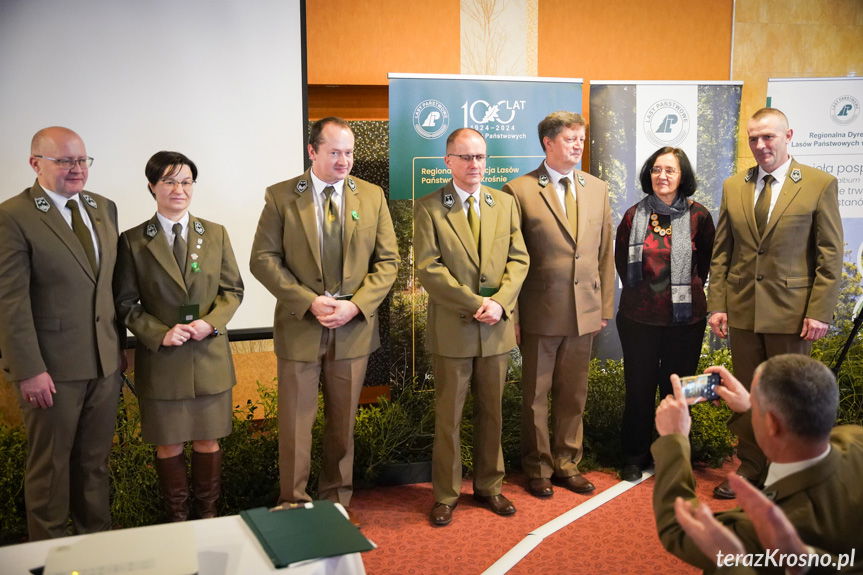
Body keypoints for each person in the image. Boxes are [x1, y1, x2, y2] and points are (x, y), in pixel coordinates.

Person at [250, 117, 399, 519]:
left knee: (343, 423)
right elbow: (263, 260)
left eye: (348, 153)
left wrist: (356, 305)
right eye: (334, 152)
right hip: (301, 326)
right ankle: (293, 500)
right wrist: (307, 301)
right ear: (313, 151)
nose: (343, 161)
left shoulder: (371, 196)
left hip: (352, 328)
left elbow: (388, 262)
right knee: (296, 425)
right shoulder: (281, 197)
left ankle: (336, 500)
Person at [707, 108, 844, 499]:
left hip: (794, 314)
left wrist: (820, 310)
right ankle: (751, 468)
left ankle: (789, 474)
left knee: (790, 395)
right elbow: (722, 252)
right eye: (753, 138)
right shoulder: (734, 186)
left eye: (768, 137)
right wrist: (718, 304)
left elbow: (829, 254)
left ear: (789, 135)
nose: (760, 145)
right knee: (748, 394)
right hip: (744, 311)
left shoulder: (819, 184)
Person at [0, 127, 123, 540]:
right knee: (50, 471)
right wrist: (29, 369)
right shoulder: (13, 216)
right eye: (65, 161)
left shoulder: (103, 207)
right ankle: (46, 559)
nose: (77, 169)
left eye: (83, 160)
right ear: (35, 163)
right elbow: (9, 302)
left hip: (104, 366)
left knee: (94, 467)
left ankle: (96, 553)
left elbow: (106, 287)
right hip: (50, 372)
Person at [114, 151, 244, 521]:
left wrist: (211, 322)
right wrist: (159, 333)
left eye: (186, 181)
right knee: (168, 444)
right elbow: (124, 303)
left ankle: (206, 518)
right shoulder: (134, 241)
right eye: (170, 181)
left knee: (208, 440)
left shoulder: (215, 233)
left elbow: (233, 290)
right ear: (152, 186)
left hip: (209, 359)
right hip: (163, 361)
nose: (179, 189)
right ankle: (177, 522)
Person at [652, 354, 863, 573]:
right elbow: (787, 439)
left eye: (754, 400)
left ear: (771, 423)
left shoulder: (765, 531)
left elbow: (679, 529)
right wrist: (748, 409)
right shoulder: (855, 437)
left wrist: (674, 440)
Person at [414, 128, 529, 526]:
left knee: (493, 413)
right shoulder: (429, 206)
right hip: (454, 330)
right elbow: (429, 268)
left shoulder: (504, 203)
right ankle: (446, 494)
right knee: (449, 418)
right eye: (465, 158)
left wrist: (500, 302)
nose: (474, 165)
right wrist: (476, 302)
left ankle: (489, 486)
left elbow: (520, 260)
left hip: (495, 328)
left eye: (480, 157)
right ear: (447, 162)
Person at [501, 111, 614, 498]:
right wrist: (512, 316)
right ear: (547, 143)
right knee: (534, 395)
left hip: (584, 312)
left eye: (581, 139)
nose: (578, 145)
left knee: (573, 394)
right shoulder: (518, 190)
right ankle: (537, 468)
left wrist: (603, 309)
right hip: (539, 313)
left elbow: (605, 254)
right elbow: (510, 261)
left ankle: (568, 463)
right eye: (570, 139)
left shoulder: (598, 189)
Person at [615, 147, 715, 481]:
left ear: (682, 176)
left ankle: (673, 456)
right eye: (657, 170)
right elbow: (620, 262)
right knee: (639, 389)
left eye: (670, 170)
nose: (662, 176)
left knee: (680, 391)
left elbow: (705, 265)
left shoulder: (700, 216)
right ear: (649, 174)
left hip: (685, 322)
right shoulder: (633, 215)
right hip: (638, 319)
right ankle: (633, 455)